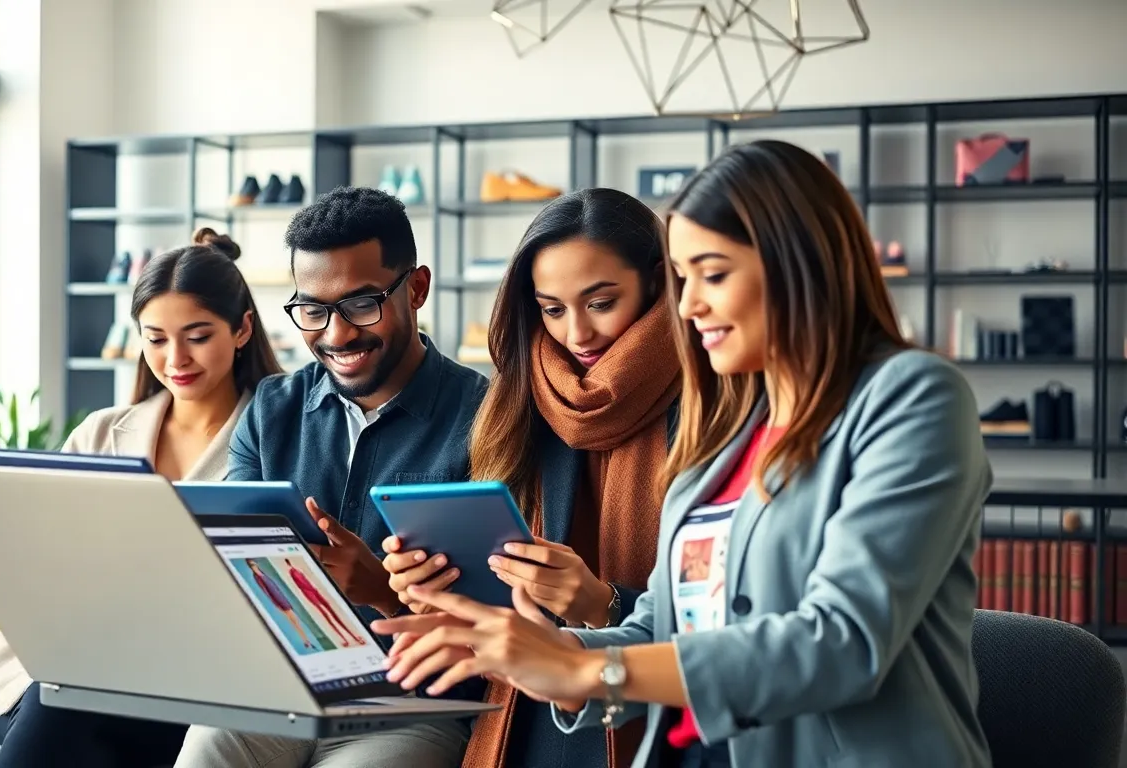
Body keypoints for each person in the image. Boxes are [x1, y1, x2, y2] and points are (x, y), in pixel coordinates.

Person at [373, 139, 994, 768]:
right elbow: (666, 630)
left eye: (713, 274)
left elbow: (842, 645)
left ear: (799, 265)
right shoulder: (727, 426)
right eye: (683, 277)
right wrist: (537, 651)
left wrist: (587, 667)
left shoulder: (912, 397)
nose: (689, 305)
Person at [173, 186, 488, 768]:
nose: (337, 335)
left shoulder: (485, 419)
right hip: (279, 692)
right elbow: (230, 564)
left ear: (415, 289)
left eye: (362, 304)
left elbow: (510, 621)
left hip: (415, 706)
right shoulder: (271, 411)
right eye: (313, 310)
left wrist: (382, 590)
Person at [378, 188, 684, 768]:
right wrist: (440, 586)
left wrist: (604, 603)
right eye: (552, 308)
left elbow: (732, 623)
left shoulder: (711, 406)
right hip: (527, 714)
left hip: (654, 712)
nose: (577, 334)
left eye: (600, 302)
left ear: (656, 282)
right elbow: (499, 609)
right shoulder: (517, 398)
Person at [0, 228, 283, 768]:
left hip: (197, 679)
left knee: (73, 698)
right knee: (72, 688)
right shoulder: (101, 432)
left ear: (242, 330)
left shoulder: (280, 439)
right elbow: (42, 557)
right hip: (64, 661)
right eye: (155, 338)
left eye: (197, 335)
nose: (175, 358)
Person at [288, 557, 366, 646]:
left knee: (331, 612)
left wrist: (313, 588)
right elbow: (301, 585)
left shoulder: (296, 569)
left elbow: (304, 581)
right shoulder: (292, 572)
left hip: (313, 591)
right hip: (309, 592)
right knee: (326, 614)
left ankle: (352, 637)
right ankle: (345, 638)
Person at [249, 559, 320, 649]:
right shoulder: (257, 577)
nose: (254, 566)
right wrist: (276, 604)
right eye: (252, 565)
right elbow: (266, 592)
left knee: (294, 620)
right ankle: (306, 640)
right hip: (278, 600)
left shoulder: (263, 574)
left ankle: (306, 640)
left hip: (281, 597)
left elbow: (274, 587)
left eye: (254, 564)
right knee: (292, 620)